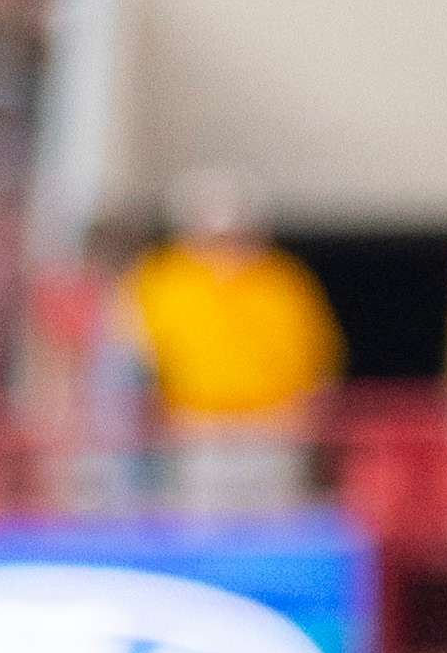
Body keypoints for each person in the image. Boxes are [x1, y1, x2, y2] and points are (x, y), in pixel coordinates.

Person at [124, 170, 342, 513]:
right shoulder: (160, 280)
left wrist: (303, 420)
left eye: (234, 234)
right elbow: (131, 363)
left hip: (274, 430)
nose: (226, 247)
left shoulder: (284, 281)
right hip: (195, 432)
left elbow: (319, 361)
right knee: (200, 532)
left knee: (274, 532)